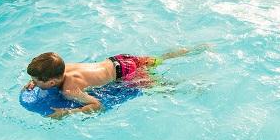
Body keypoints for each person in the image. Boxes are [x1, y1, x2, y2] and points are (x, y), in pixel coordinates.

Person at [25, 48, 197, 118]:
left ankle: (196, 86)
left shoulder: (69, 90)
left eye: (35, 80)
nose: (32, 83)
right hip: (120, 60)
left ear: (52, 82)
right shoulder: (64, 67)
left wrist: (67, 112)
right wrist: (36, 82)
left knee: (164, 89)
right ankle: (196, 49)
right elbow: (49, 75)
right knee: (159, 59)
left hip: (127, 74)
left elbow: (97, 105)